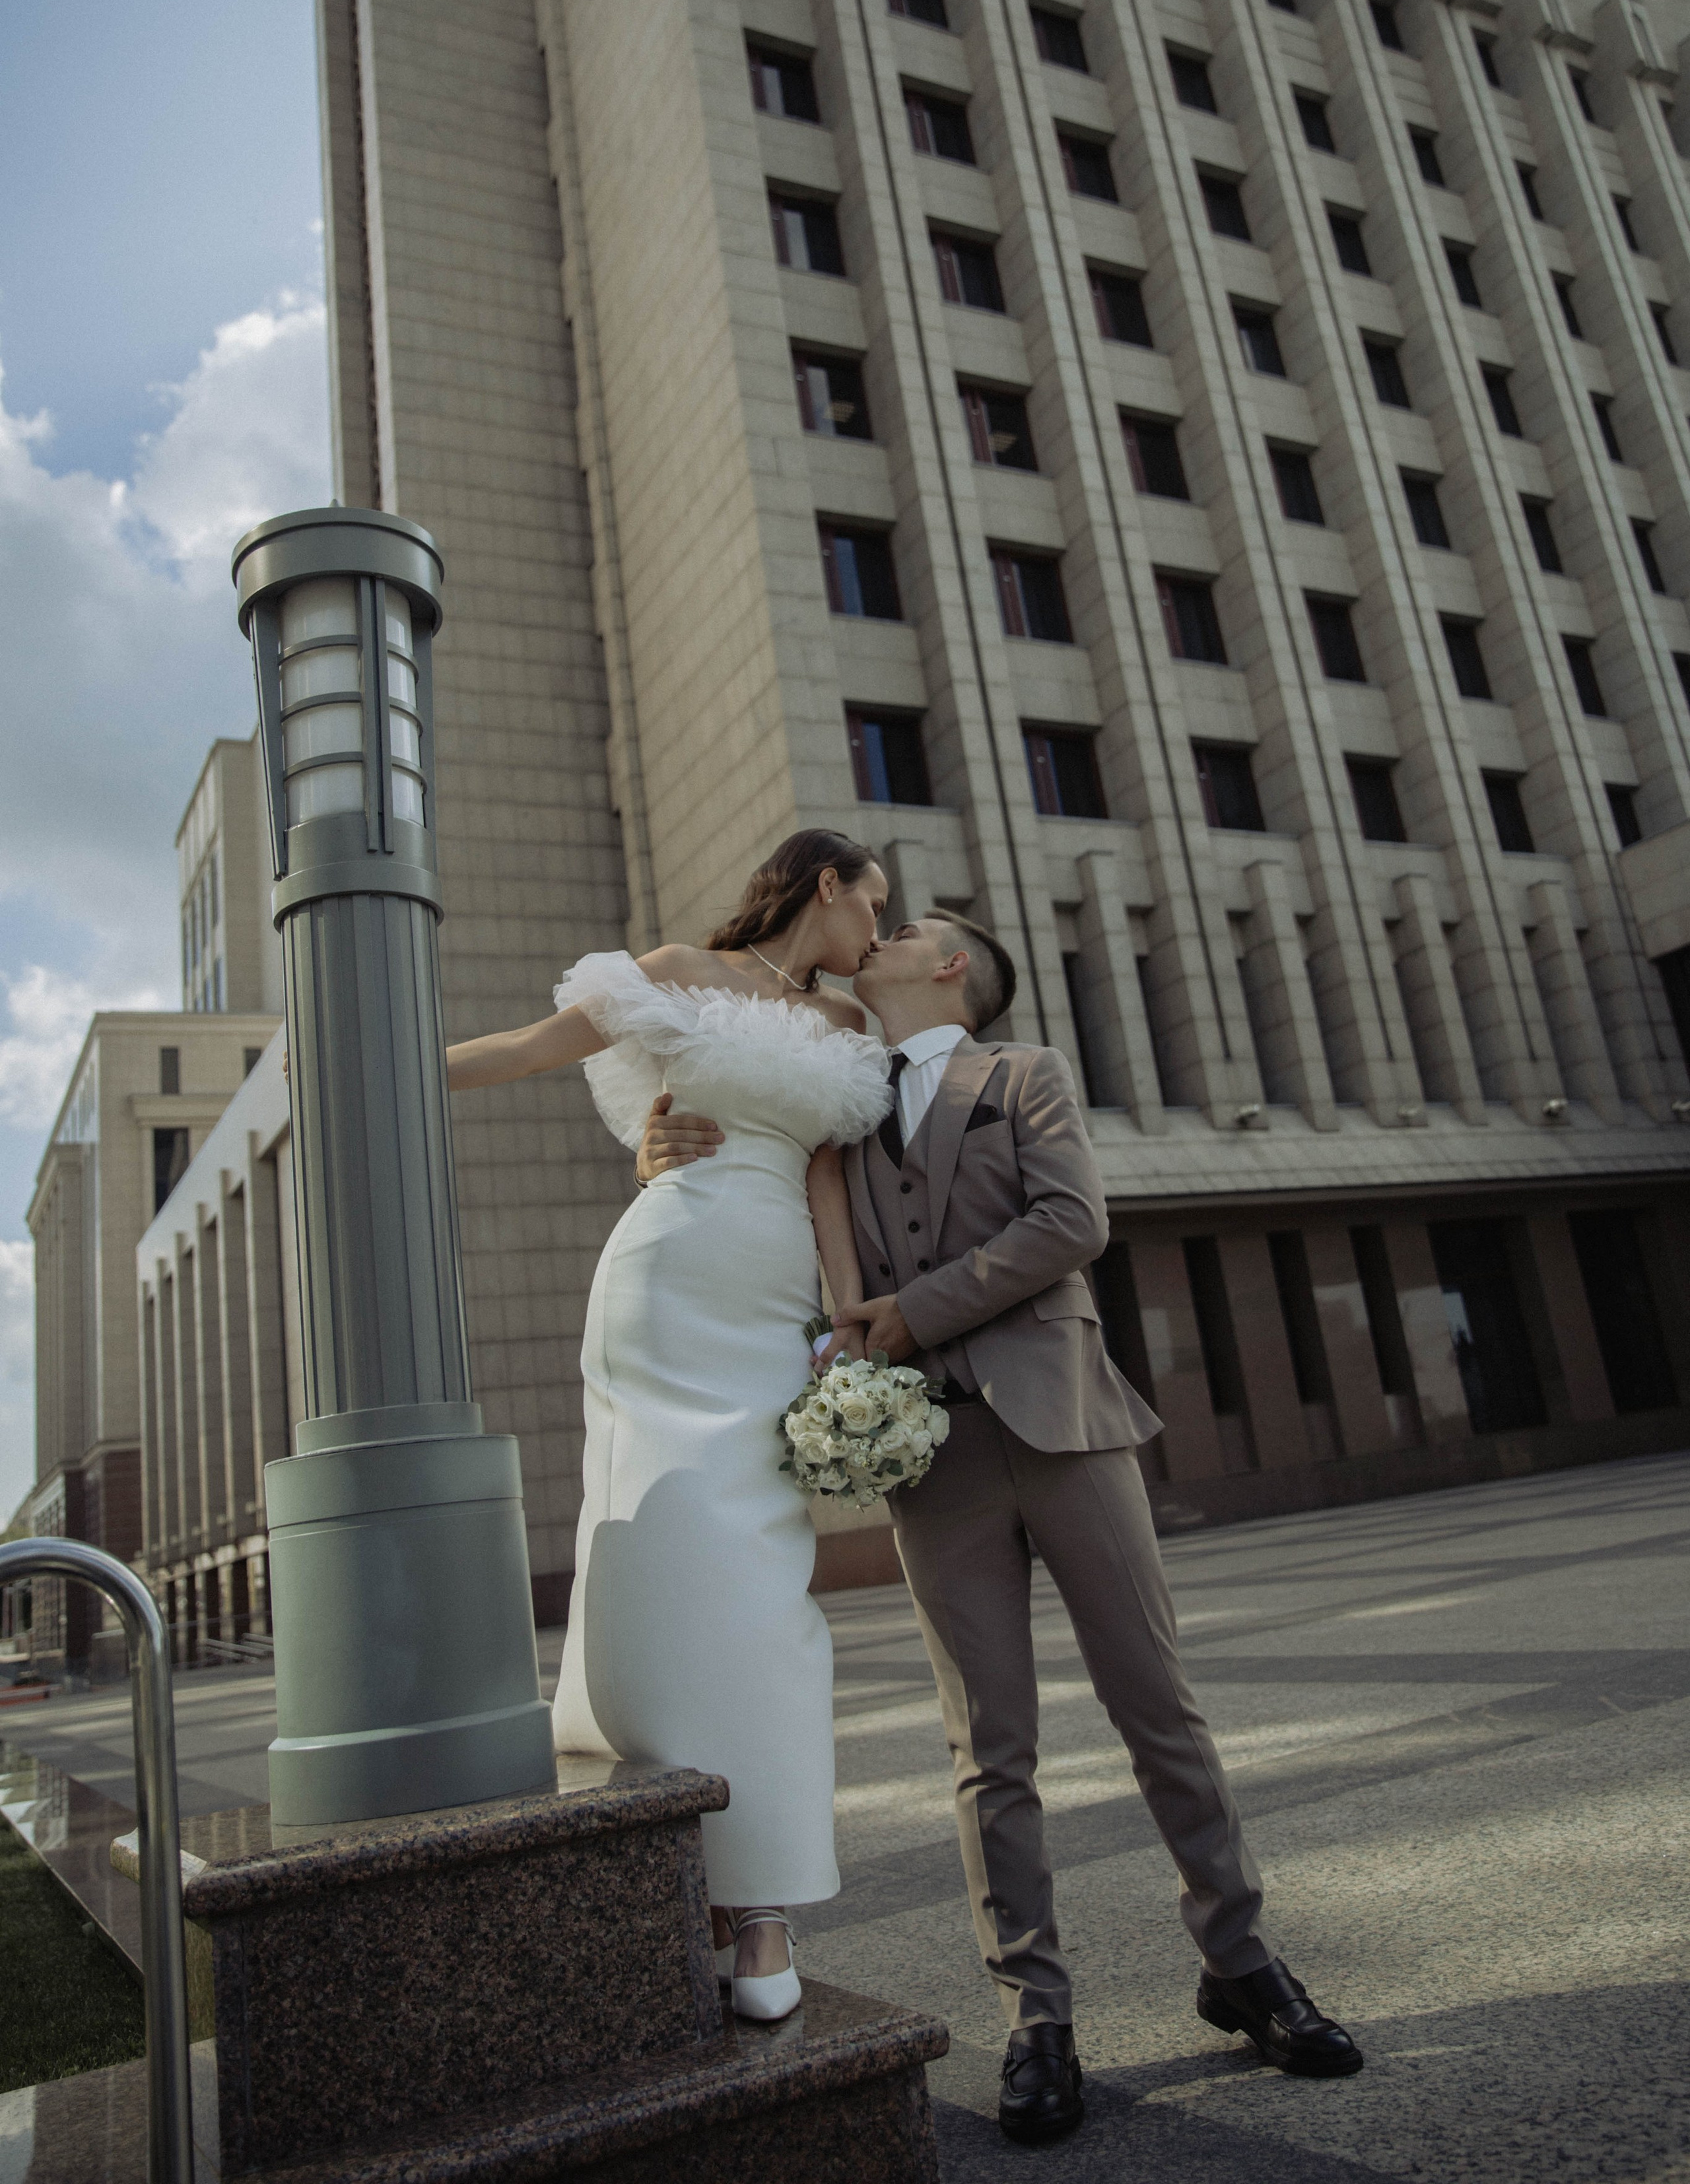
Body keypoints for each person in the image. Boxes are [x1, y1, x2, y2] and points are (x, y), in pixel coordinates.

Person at [637, 908, 1361, 2138]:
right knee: (990, 1748)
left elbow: (1072, 1225)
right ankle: (1037, 2013)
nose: (882, 931)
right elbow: (768, 1192)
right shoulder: (847, 1104)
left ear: (951, 966)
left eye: (908, 925)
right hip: (936, 1457)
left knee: (1158, 1709)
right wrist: (662, 1150)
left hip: (1067, 1424)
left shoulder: (1022, 1074)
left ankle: (1243, 1966)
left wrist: (912, 1314)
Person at [446, 831, 893, 2020]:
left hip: (772, 1301)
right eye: (873, 904)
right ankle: (668, 1854)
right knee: (650, 1548)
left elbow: (828, 1181)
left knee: (758, 1580)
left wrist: (844, 1321)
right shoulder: (679, 967)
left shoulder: (852, 1029)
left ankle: (761, 1903)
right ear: (826, 886)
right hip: (666, 1280)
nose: (877, 934)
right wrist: (373, 1063)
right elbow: (526, 1050)